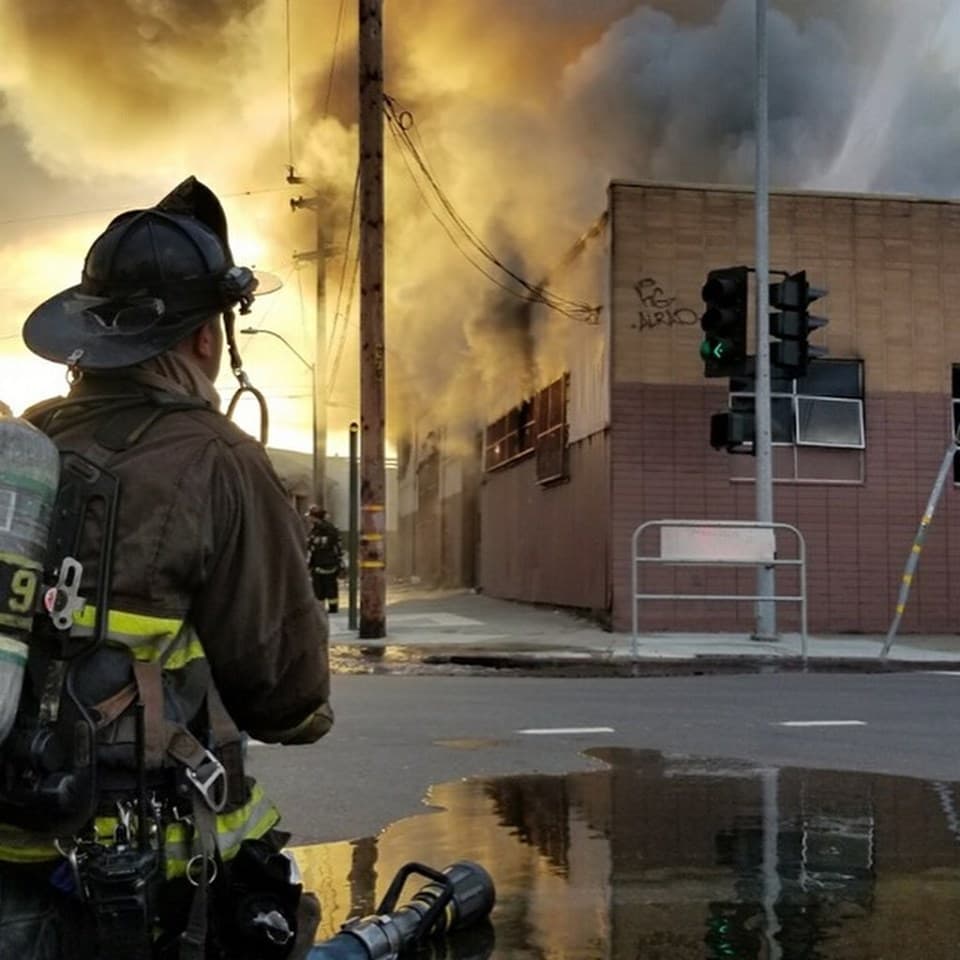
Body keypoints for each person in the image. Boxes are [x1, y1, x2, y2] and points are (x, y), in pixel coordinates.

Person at [1, 177, 333, 959]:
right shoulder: (220, 460)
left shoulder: (25, 451)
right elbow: (286, 698)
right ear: (208, 339)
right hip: (137, 879)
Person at [306, 506, 344, 614]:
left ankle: (331, 608)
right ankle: (323, 608)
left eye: (310, 517)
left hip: (326, 562)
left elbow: (323, 544)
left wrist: (312, 542)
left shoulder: (325, 529)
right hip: (320, 561)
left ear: (315, 517)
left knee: (326, 585)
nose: (309, 519)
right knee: (320, 586)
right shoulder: (317, 528)